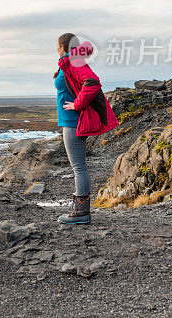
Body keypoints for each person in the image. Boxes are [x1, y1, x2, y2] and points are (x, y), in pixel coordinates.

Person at [53, 33, 118, 224]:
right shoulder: (69, 62)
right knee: (79, 167)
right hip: (69, 121)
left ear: (63, 46)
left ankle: (81, 212)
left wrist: (78, 104)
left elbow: (93, 82)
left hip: (74, 122)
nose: (56, 49)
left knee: (79, 167)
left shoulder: (74, 62)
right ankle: (81, 210)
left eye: (57, 46)